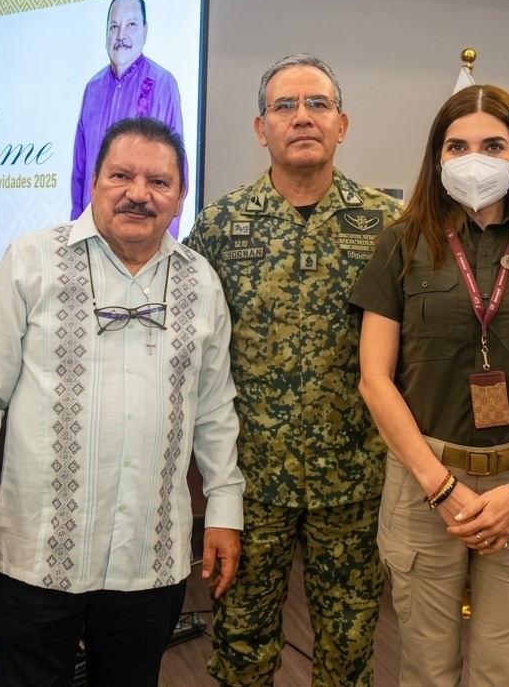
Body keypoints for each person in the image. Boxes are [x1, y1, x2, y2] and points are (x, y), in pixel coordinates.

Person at [0, 117, 243, 687]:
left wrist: (224, 511)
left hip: (149, 556)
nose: (138, 193)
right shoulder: (31, 261)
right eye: (120, 175)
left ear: (179, 195)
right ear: (93, 181)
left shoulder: (201, 282)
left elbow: (214, 410)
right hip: (36, 550)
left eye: (159, 181)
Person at [350, 84, 509, 687]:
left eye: (493, 145)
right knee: (427, 670)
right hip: (423, 479)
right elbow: (374, 380)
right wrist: (441, 488)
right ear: (437, 159)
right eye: (457, 146)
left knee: (502, 670)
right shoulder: (401, 245)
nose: (474, 160)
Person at [186, 54, 401, 686]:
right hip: (251, 483)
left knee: (349, 645)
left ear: (342, 123)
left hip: (356, 479)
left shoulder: (387, 224)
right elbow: (194, 352)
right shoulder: (221, 226)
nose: (301, 117)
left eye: (317, 105)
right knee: (240, 645)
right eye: (285, 106)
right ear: (260, 128)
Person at [70, 0, 185, 234]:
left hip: (142, 233)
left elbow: (176, 171)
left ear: (145, 31)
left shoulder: (163, 85)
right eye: (114, 27)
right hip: (94, 233)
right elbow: (80, 170)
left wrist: (165, 241)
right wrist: (76, 231)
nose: (121, 35)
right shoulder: (93, 88)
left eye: (131, 25)